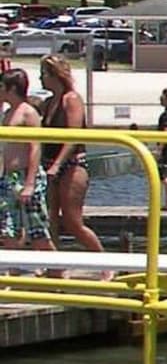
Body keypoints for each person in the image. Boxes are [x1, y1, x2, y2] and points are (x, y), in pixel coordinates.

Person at [38, 55, 107, 263]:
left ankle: (106, 263)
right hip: (49, 164)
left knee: (72, 221)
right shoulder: (48, 103)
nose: (41, 79)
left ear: (55, 75)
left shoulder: (72, 99)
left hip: (71, 165)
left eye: (44, 75)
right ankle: (55, 267)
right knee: (50, 220)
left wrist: (58, 165)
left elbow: (73, 134)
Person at [0, 69, 55, 257]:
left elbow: (35, 148)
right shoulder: (8, 113)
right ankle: (13, 274)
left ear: (12, 88)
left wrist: (30, 183)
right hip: (9, 177)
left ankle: (57, 272)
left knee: (37, 231)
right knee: (9, 230)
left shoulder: (28, 113)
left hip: (26, 176)